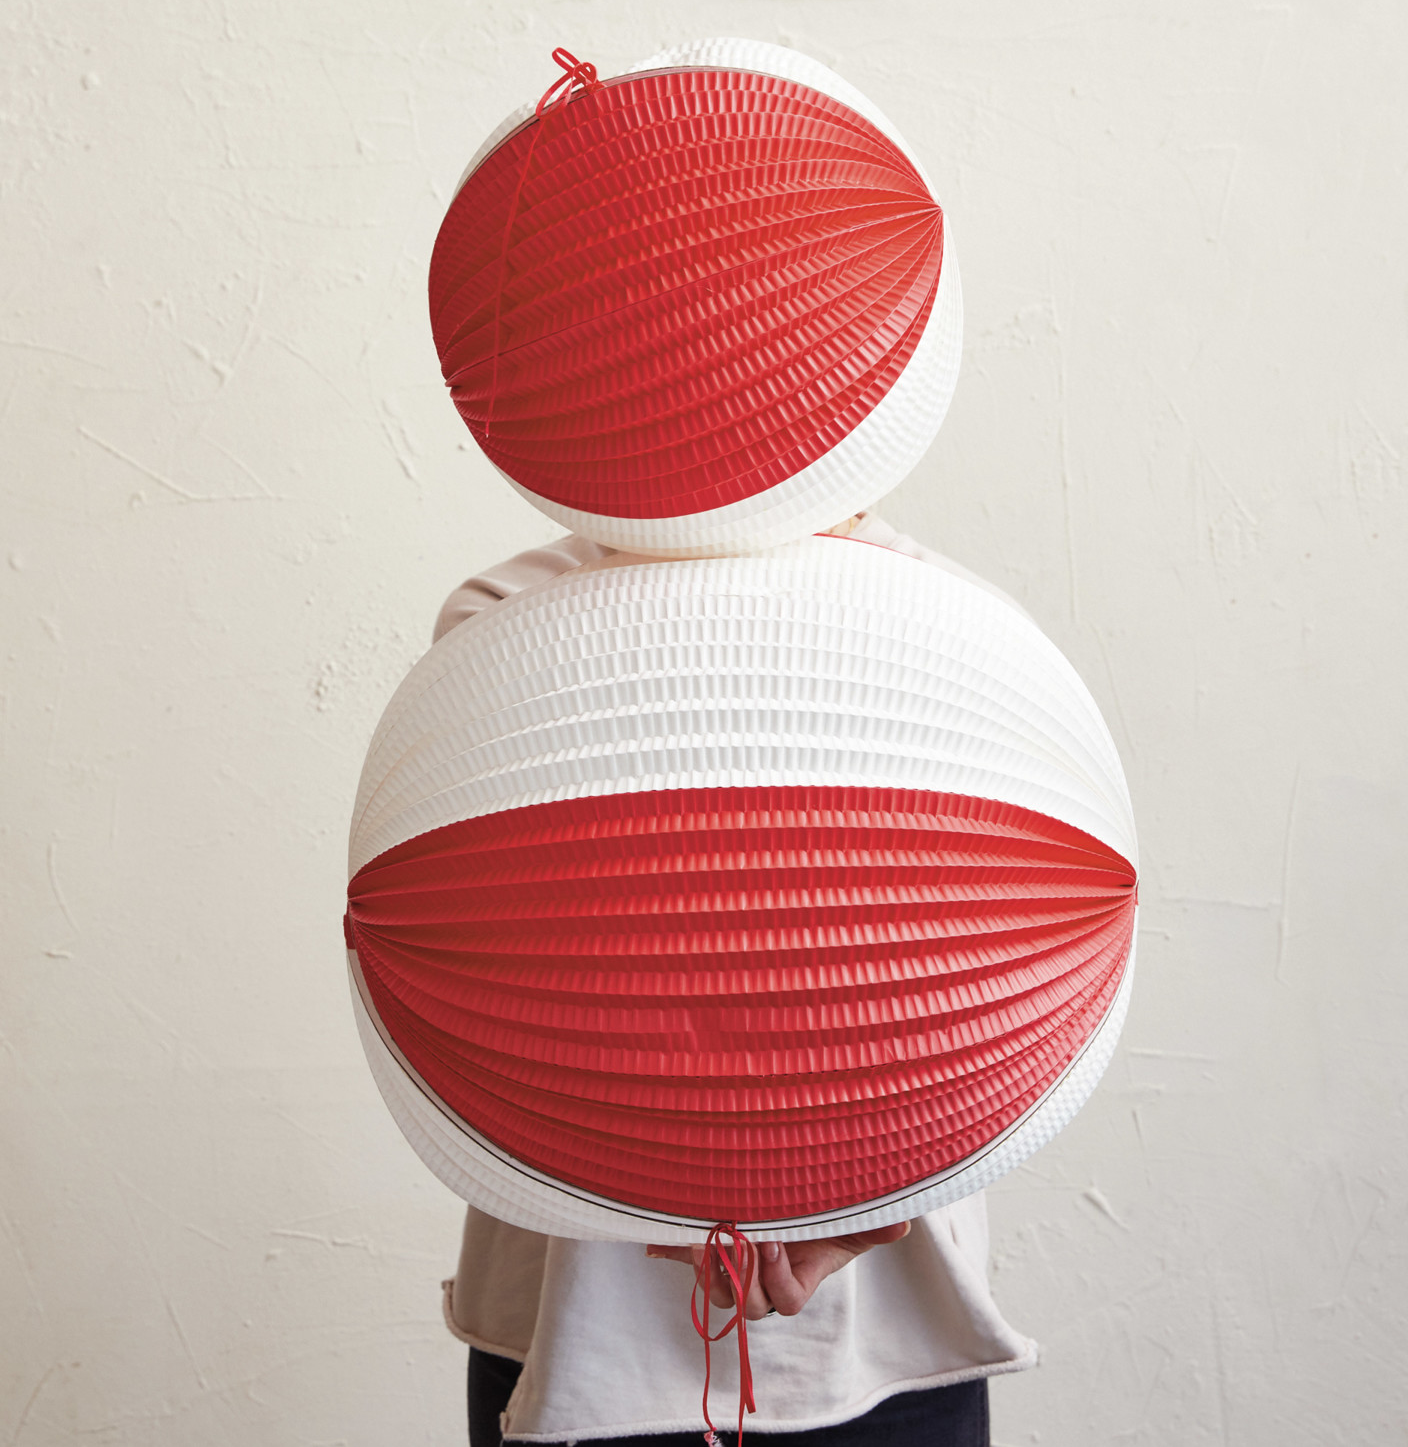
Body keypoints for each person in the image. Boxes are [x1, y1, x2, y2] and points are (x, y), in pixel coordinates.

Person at [430, 514, 1037, 1447]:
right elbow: (488, 968)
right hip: (575, 1331)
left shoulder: (958, 628)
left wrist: (849, 1204)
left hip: (889, 1333)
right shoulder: (502, 619)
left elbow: (994, 968)